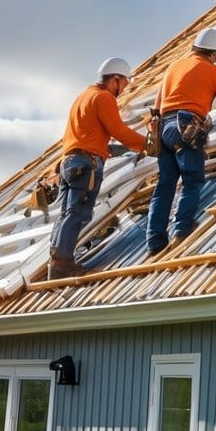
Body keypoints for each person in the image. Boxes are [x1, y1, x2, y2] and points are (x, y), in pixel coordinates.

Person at [147, 27, 216, 254]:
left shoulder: (173, 67)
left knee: (165, 185)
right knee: (193, 179)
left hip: (163, 129)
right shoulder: (213, 71)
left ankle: (155, 244)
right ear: (214, 54)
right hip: (185, 125)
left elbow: (156, 108)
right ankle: (181, 230)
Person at [48, 57, 146, 280]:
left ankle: (56, 262)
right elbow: (119, 130)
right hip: (86, 165)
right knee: (77, 213)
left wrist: (106, 149)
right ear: (115, 79)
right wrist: (148, 145)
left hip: (70, 163)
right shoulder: (104, 97)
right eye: (124, 84)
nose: (123, 90)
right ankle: (63, 266)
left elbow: (90, 136)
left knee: (66, 214)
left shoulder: (83, 97)